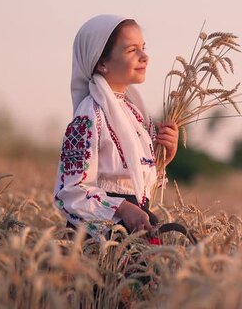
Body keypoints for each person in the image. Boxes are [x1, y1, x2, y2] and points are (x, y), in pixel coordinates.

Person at [54, 14, 179, 238]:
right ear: (101, 63)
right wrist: (122, 209)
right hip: (103, 236)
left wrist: (164, 158)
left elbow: (137, 188)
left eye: (143, 47)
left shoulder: (137, 115)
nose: (145, 56)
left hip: (134, 227)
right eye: (132, 50)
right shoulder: (89, 116)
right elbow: (70, 192)